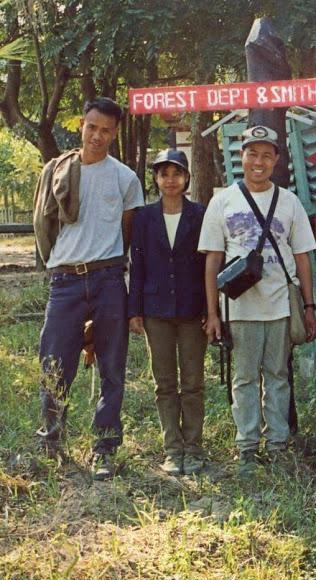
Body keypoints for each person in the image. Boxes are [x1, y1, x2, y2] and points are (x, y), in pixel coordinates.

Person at [33, 97, 144, 480]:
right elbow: (43, 228)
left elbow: (127, 236)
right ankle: (50, 440)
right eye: (92, 127)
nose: (97, 136)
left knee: (112, 367)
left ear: (114, 134)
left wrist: (113, 272)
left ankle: (105, 448)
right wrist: (60, 264)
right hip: (64, 280)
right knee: (54, 363)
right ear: (82, 124)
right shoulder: (57, 171)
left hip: (108, 278)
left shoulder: (125, 178)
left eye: (106, 131)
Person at [199, 125, 316, 464]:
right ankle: (247, 446)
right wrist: (212, 313)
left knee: (279, 377)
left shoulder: (289, 202)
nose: (259, 161)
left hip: (280, 305)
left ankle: (278, 444)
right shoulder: (222, 201)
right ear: (242, 156)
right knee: (245, 377)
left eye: (267, 155)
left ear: (276, 160)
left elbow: (302, 258)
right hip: (240, 307)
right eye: (253, 153)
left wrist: (308, 306)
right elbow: (212, 261)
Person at [128, 149, 207, 476]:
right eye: (163, 174)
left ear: (187, 177)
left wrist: (210, 310)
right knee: (164, 384)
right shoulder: (144, 217)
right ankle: (172, 449)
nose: (170, 180)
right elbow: (137, 265)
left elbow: (209, 265)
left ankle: (194, 447)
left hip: (192, 311)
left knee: (192, 383)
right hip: (156, 310)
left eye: (176, 173)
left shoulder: (201, 214)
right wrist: (135, 310)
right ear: (156, 179)